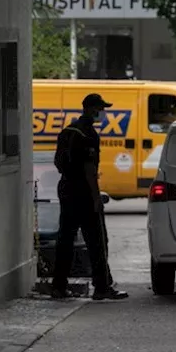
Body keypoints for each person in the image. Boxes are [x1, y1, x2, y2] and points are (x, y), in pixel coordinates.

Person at [50, 93, 127, 301]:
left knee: (65, 239)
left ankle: (58, 286)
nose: (102, 113)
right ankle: (101, 287)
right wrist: (95, 198)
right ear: (92, 109)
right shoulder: (89, 135)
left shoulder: (66, 131)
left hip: (66, 188)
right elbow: (89, 169)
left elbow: (58, 163)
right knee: (97, 240)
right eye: (101, 109)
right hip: (83, 192)